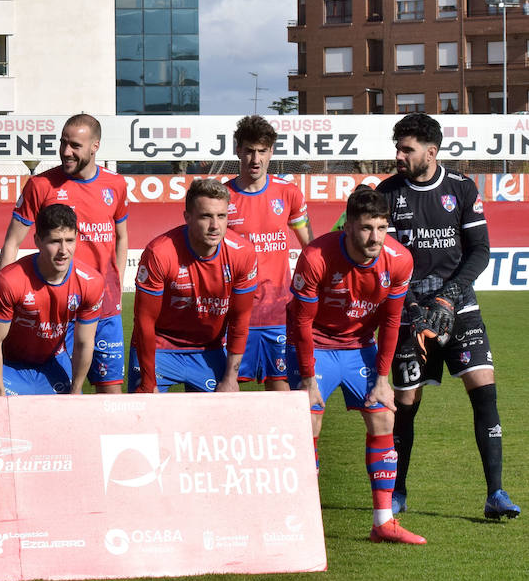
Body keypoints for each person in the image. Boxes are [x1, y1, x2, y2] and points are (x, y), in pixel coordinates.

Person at [378, 113, 518, 520]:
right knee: (405, 402)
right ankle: (397, 491)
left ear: (431, 151)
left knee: (484, 390)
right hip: (408, 315)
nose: (400, 155)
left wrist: (450, 298)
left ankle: (496, 494)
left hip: (460, 309)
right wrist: (413, 309)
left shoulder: (461, 188)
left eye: (407, 149)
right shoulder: (387, 192)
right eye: (398, 148)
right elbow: (380, 260)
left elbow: (479, 250)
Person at [288, 187, 425, 544]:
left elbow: (392, 322)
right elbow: (301, 323)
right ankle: (303, 521)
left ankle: (383, 522)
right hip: (314, 345)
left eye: (382, 228)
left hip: (359, 346)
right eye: (366, 228)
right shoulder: (317, 256)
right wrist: (307, 377)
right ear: (348, 226)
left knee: (384, 413)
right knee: (309, 418)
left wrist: (383, 378)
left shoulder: (399, 260)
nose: (375, 237)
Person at [0, 114, 129, 392]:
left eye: (75, 145)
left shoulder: (115, 185)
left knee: (112, 391)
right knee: (66, 391)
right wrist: (4, 295)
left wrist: (116, 284)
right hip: (62, 312)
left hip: (106, 307)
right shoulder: (41, 185)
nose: (66, 151)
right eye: (63, 143)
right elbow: (12, 242)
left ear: (95, 146)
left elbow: (121, 237)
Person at [130, 179, 258, 393]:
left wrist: (230, 377)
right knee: (145, 421)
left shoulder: (243, 253)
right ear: (187, 217)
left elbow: (240, 319)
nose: (215, 226)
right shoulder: (160, 253)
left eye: (221, 216)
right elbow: (144, 321)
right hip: (160, 348)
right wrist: (148, 381)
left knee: (217, 424)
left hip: (208, 350)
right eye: (206, 216)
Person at [0, 204, 103, 396]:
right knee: (0, 421)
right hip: (8, 364)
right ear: (37, 240)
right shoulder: (10, 280)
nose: (64, 250)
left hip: (53, 361)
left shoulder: (91, 282)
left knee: (62, 423)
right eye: (55, 241)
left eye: (70, 240)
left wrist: (76, 390)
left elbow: (84, 342)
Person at [226, 116, 312, 390]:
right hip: (235, 314)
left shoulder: (288, 193)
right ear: (238, 149)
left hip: (278, 314)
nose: (255, 158)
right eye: (249, 150)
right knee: (228, 392)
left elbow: (311, 249)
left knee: (282, 393)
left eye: (262, 151)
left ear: (271, 152)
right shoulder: (222, 197)